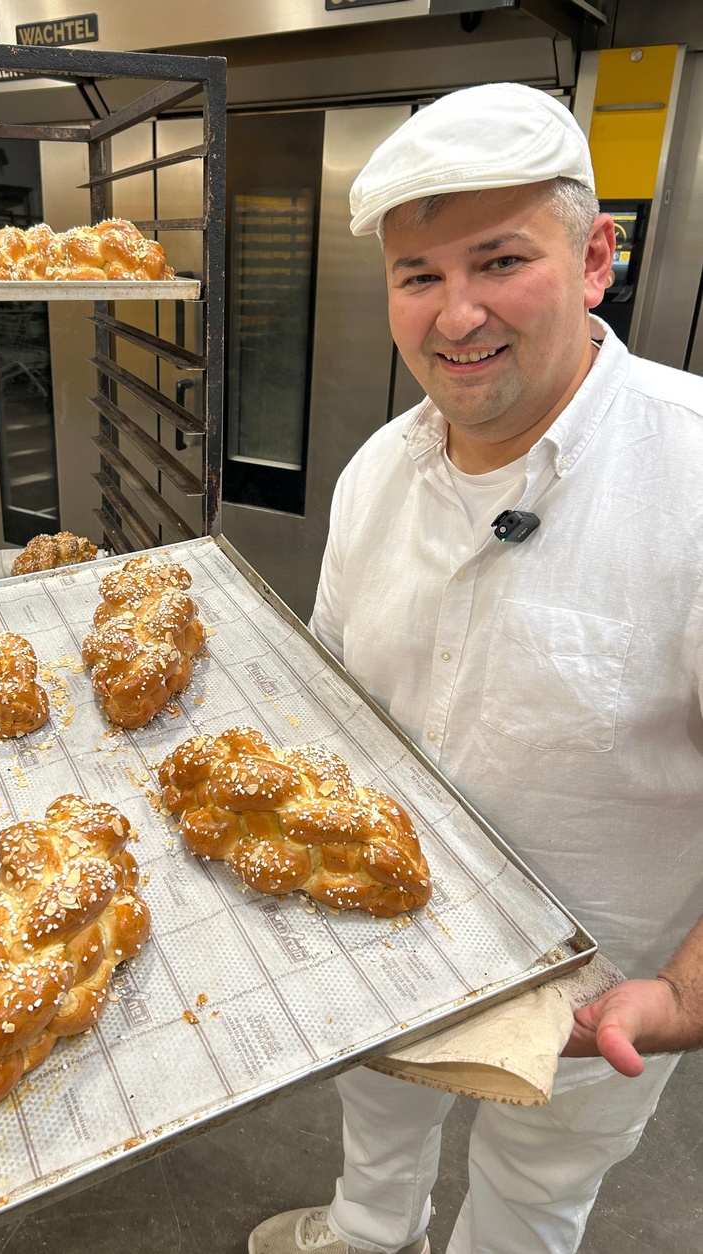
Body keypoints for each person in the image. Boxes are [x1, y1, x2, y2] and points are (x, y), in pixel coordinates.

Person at [248, 82, 703, 1254]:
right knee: (377, 1111)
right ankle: (370, 1233)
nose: (455, 316)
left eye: (500, 261)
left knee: (530, 1194)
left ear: (593, 260)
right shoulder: (374, 474)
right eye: (418, 276)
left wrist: (685, 991)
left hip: (592, 992)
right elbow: (332, 706)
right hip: (380, 938)